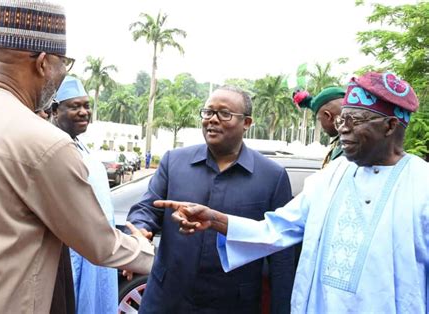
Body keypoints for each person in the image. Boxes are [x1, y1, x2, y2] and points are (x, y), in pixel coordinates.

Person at [156, 72, 428, 313]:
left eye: (354, 120)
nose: (342, 128)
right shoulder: (330, 177)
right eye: (342, 119)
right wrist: (215, 220)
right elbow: (277, 229)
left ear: (390, 126)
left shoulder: (422, 186)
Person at [0, 1, 154, 312]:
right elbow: (101, 245)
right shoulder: (46, 143)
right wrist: (147, 252)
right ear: (44, 63)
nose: (63, 72)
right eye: (65, 62)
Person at [127, 86, 296, 313]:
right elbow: (147, 208)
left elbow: (281, 254)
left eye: (224, 114)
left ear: (247, 123)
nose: (212, 120)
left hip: (233, 303)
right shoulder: (174, 162)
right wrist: (140, 229)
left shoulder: (272, 176)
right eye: (208, 112)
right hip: (168, 299)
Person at [51, 76, 119, 314]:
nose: (83, 112)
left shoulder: (81, 147)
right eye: (74, 106)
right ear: (55, 109)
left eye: (87, 105)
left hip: (96, 252)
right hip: (67, 254)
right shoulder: (50, 148)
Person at [293, 87, 345, 167]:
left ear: (328, 116)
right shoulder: (343, 142)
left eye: (320, 120)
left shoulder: (350, 148)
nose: (321, 126)